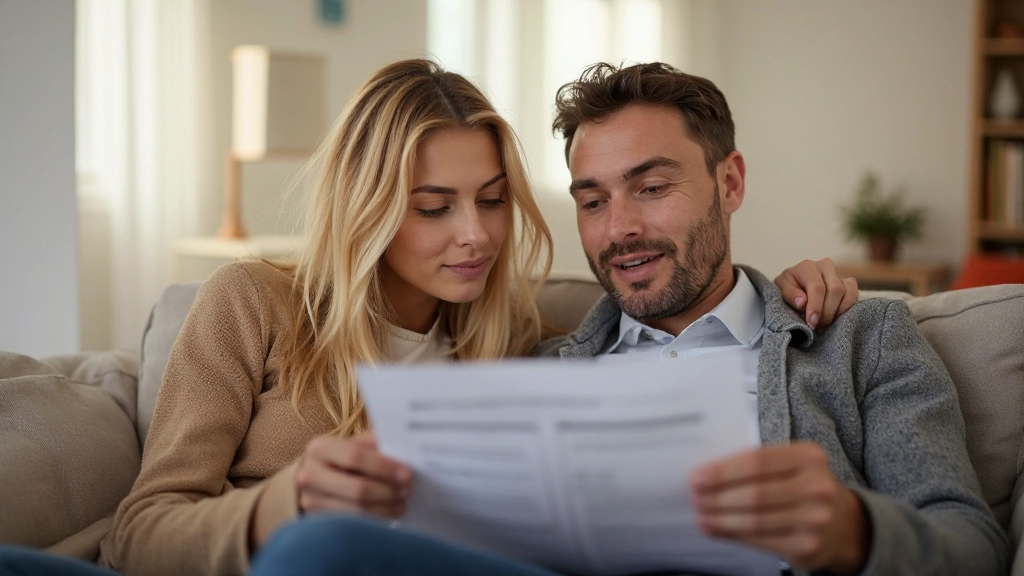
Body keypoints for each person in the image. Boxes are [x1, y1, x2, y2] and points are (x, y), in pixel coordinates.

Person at [0, 60, 853, 576]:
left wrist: (787, 291)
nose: (475, 236)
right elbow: (140, 535)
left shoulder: (519, 349)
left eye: (490, 201)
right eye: (432, 207)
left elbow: (687, 313)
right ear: (367, 208)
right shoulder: (252, 303)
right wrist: (285, 501)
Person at [248, 62, 1010, 576]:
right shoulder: (535, 367)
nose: (619, 230)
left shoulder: (859, 339)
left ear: (730, 180)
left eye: (651, 187)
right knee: (324, 549)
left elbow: (972, 544)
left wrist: (853, 532)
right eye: (591, 200)